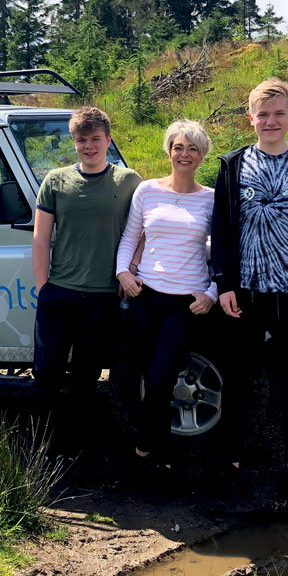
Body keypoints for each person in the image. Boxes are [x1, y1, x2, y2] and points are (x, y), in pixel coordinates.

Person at [211, 78, 288, 514]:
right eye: (263, 114)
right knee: (238, 385)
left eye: (279, 113)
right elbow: (221, 229)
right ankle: (233, 469)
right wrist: (223, 284)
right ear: (251, 118)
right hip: (245, 297)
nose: (271, 121)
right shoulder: (232, 164)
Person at [31, 107, 141, 456]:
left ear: (108, 140)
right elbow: (40, 238)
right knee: (46, 374)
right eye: (82, 140)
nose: (89, 146)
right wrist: (42, 288)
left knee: (86, 377)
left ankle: (77, 449)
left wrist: (131, 267)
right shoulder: (56, 180)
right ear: (73, 142)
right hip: (59, 294)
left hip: (103, 296)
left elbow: (141, 231)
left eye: (96, 139)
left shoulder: (128, 181)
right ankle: (40, 448)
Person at [116, 120, 217, 476]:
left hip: (184, 303)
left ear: (202, 155)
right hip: (145, 294)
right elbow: (131, 236)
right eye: (178, 147)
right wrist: (123, 273)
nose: (184, 154)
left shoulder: (211, 199)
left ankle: (148, 451)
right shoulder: (146, 191)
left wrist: (211, 293)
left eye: (192, 148)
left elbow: (220, 253)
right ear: (168, 151)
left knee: (161, 378)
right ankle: (154, 451)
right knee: (134, 375)